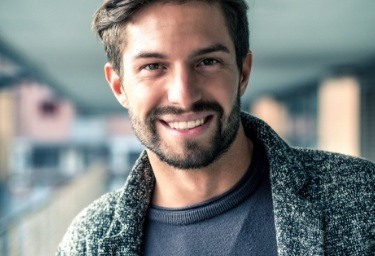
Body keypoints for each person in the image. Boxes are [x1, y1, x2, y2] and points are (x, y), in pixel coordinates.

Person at [57, 0, 375, 255]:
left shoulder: (361, 197)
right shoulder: (88, 242)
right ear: (118, 86)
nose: (184, 96)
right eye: (153, 66)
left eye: (207, 62)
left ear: (243, 72)